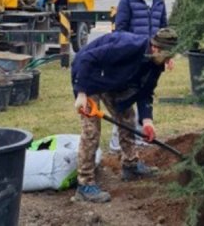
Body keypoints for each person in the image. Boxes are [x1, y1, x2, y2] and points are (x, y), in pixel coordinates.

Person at [71, 28, 178, 203]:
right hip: (88, 75)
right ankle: (84, 185)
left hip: (113, 81)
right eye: (166, 57)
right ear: (156, 48)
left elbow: (145, 93)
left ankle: (130, 165)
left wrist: (148, 122)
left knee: (128, 118)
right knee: (92, 131)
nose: (167, 62)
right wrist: (81, 92)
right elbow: (87, 58)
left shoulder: (155, 64)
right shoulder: (129, 46)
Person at [109, 0, 172, 152]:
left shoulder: (159, 2)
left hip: (152, 59)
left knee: (145, 94)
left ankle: (141, 135)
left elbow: (164, 30)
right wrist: (127, 51)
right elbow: (120, 29)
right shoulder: (128, 0)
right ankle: (117, 142)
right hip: (133, 57)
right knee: (126, 98)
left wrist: (166, 54)